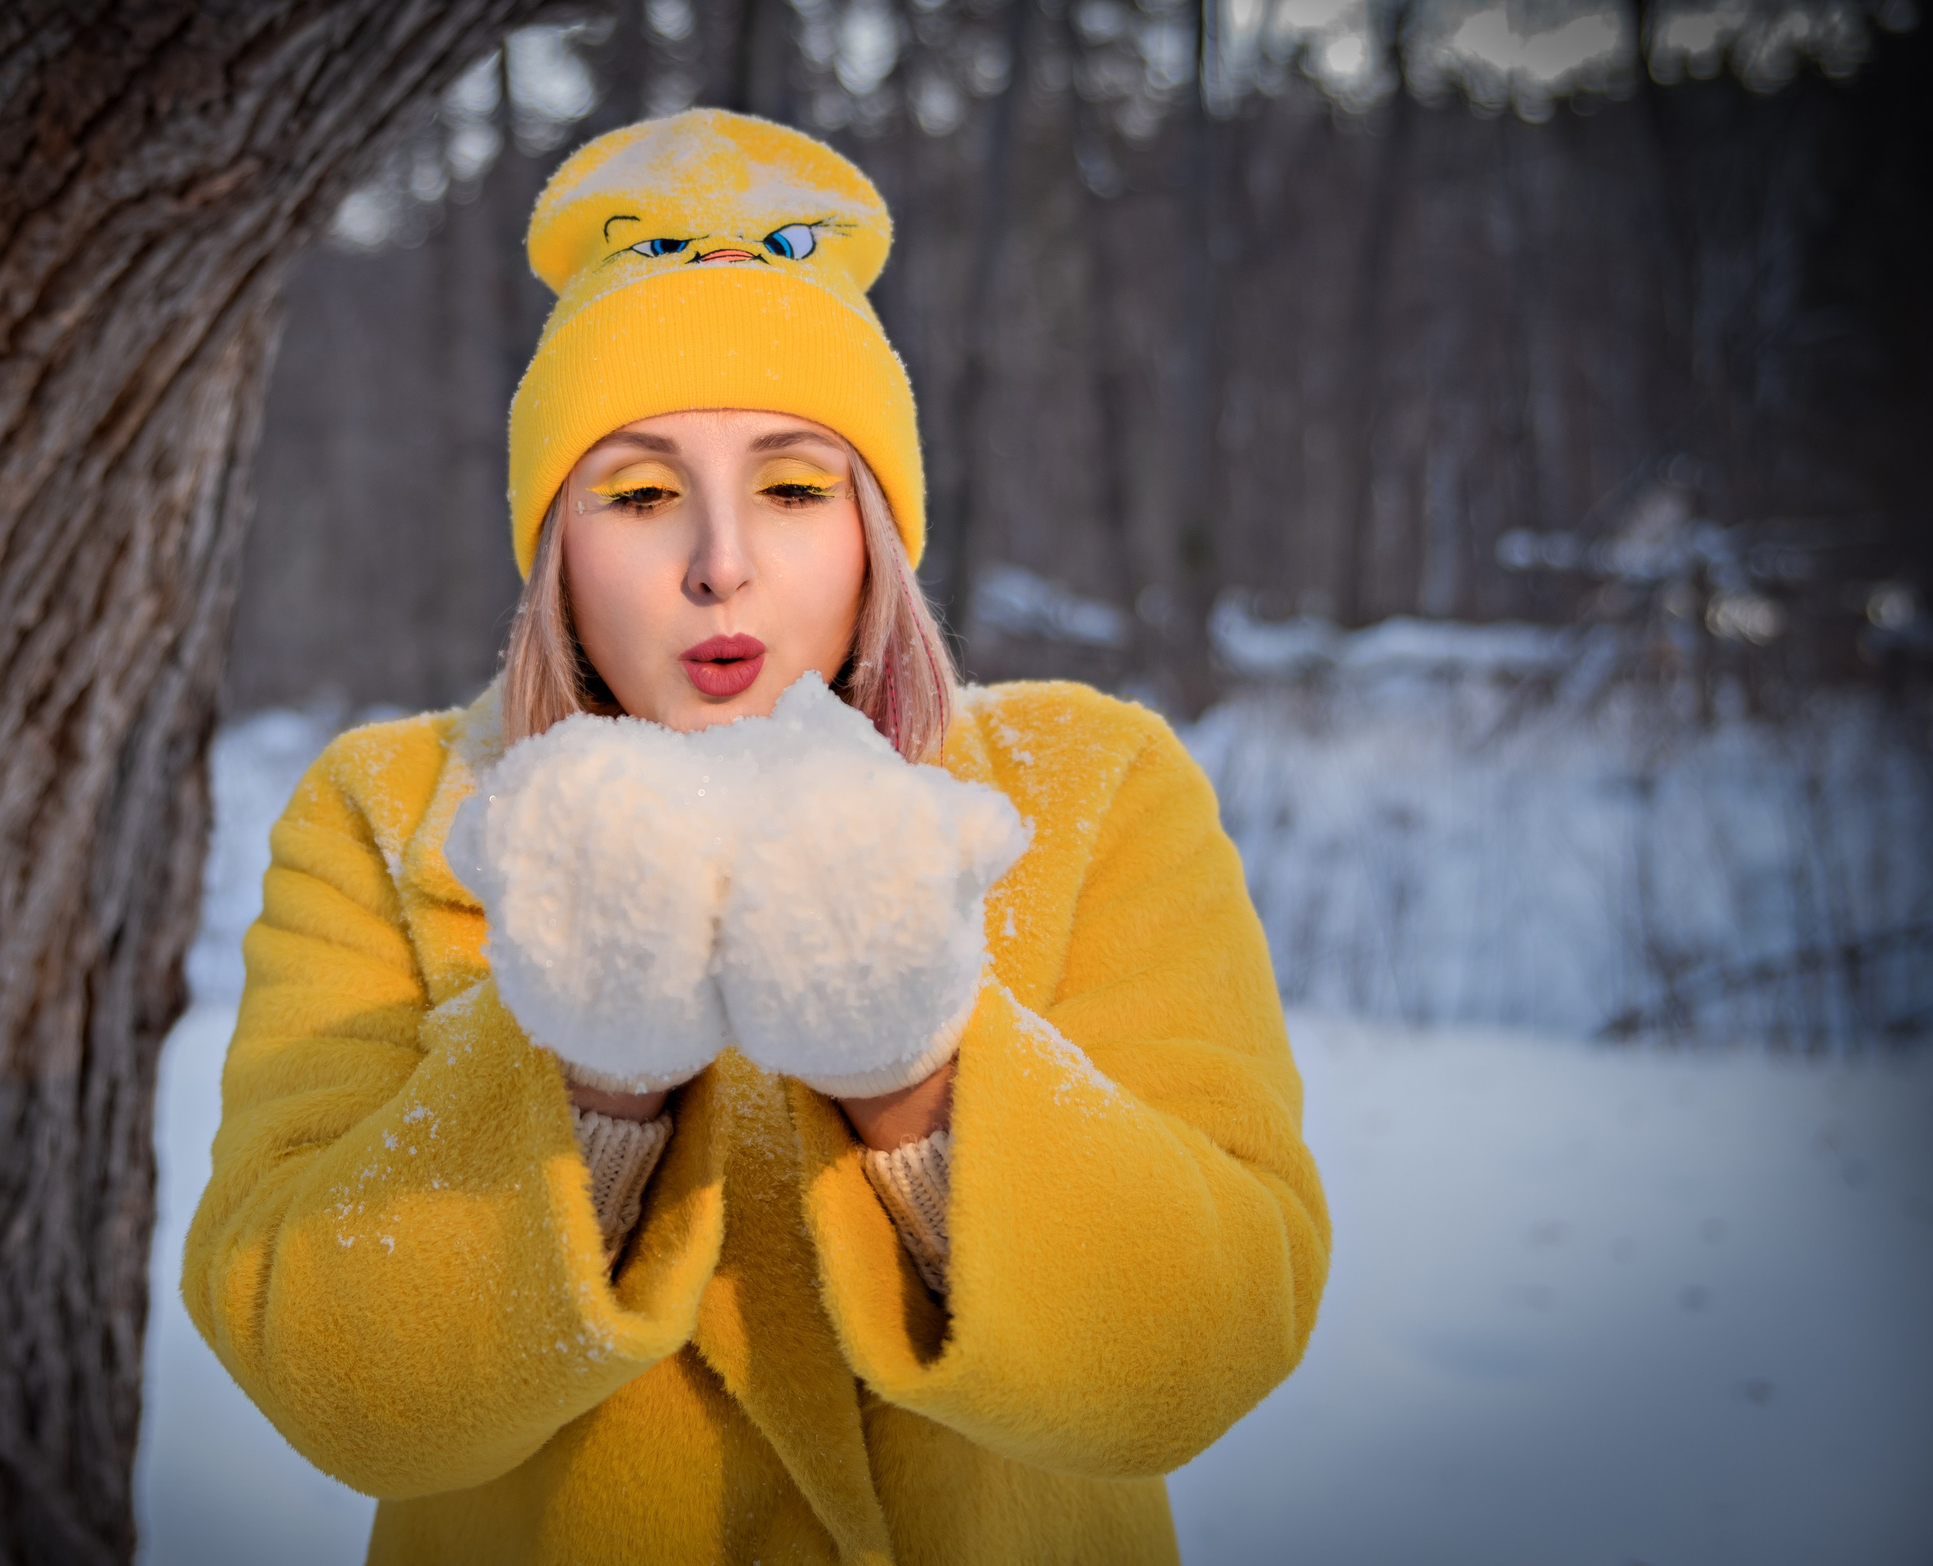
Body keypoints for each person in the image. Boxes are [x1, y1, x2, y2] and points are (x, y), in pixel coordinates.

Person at [182, 109, 1329, 1565]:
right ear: (556, 548)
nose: (720, 560)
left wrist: (917, 1073)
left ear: (875, 532)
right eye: (642, 492)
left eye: (793, 486)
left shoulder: (1094, 787)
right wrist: (588, 1085)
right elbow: (323, 1368)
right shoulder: (391, 811)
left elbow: (1216, 1331)